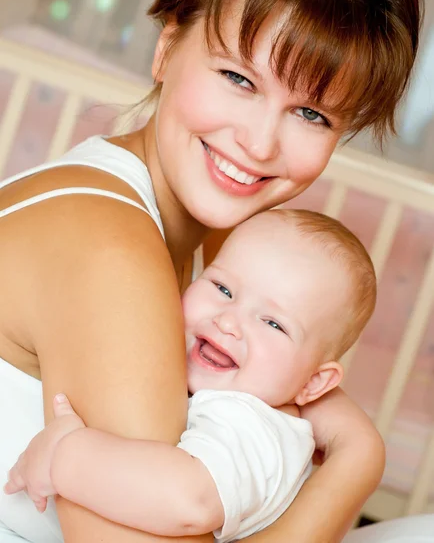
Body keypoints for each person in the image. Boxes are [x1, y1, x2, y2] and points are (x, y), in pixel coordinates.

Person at [0, 0, 423, 541]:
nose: (258, 143)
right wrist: (355, 465)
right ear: (167, 48)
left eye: (311, 114)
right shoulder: (111, 252)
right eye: (237, 78)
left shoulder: (222, 246)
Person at [5, 209, 377, 543]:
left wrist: (63, 454)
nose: (228, 321)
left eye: (273, 323)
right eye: (223, 288)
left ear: (313, 382)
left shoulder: (254, 427)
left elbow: (190, 500)